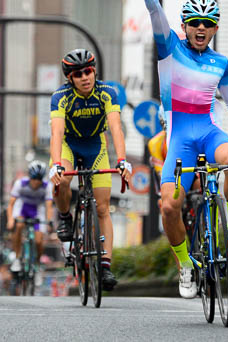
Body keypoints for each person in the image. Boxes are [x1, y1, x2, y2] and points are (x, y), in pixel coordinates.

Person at [134, 0, 228, 298]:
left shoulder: (221, 62)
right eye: (195, 23)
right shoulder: (169, 48)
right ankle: (186, 266)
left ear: (215, 28)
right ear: (184, 27)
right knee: (168, 206)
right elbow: (154, 11)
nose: (201, 28)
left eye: (207, 23)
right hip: (179, 137)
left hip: (207, 130)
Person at [48, 49, 133, 291]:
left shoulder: (107, 93)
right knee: (63, 181)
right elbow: (56, 133)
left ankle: (105, 266)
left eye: (88, 71)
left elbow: (116, 128)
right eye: (78, 74)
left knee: (103, 207)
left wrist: (123, 159)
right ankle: (65, 217)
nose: (85, 77)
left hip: (96, 146)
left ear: (94, 71)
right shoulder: (61, 97)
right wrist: (56, 164)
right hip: (69, 145)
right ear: (70, 79)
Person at [6, 160, 54, 273]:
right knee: (18, 226)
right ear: (29, 177)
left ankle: (37, 263)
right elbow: (11, 204)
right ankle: (17, 258)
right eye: (34, 178)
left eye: (39, 179)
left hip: (38, 210)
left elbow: (48, 206)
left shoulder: (47, 186)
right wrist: (10, 219)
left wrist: (48, 221)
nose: (36, 182)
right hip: (23, 207)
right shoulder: (20, 183)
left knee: (38, 241)